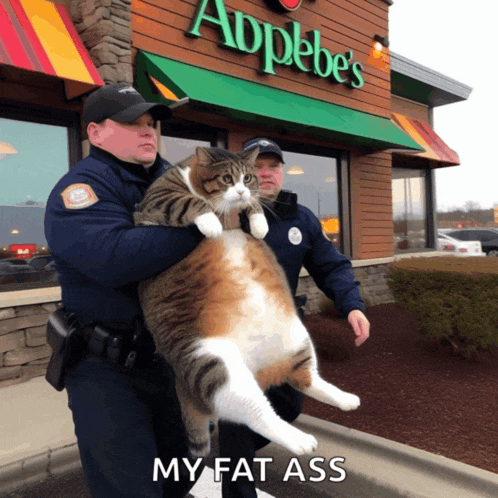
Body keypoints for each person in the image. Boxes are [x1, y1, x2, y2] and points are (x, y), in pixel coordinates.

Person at [44, 83, 206, 498]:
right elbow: (114, 259)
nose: (148, 131)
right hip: (107, 370)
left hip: (168, 363)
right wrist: (202, 226)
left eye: (151, 123)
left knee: (180, 476)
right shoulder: (78, 192)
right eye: (133, 123)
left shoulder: (176, 180)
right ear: (96, 133)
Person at [217, 137, 370, 498]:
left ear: (282, 172)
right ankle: (237, 472)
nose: (266, 173)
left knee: (289, 404)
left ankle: (234, 451)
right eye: (258, 166)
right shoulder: (222, 213)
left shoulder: (300, 219)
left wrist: (352, 305)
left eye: (273, 166)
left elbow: (331, 266)